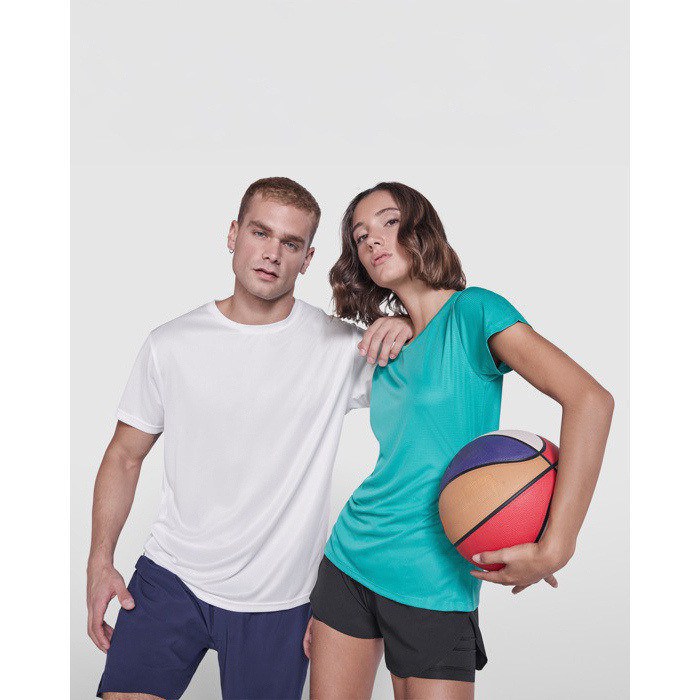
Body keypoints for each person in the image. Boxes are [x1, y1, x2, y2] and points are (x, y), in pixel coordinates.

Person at [86, 177, 414, 700]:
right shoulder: (171, 343)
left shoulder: (340, 348)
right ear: (233, 234)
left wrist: (408, 326)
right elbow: (124, 456)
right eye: (261, 233)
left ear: (307, 259)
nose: (272, 254)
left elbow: (438, 366)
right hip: (172, 576)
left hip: (278, 599)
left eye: (290, 243)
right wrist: (100, 560)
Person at [306, 182, 615, 700]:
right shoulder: (387, 345)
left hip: (436, 580)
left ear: (421, 228)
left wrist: (557, 546)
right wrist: (401, 321)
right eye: (360, 236)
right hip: (350, 560)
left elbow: (590, 401)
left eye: (388, 222)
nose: (373, 239)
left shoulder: (476, 312)